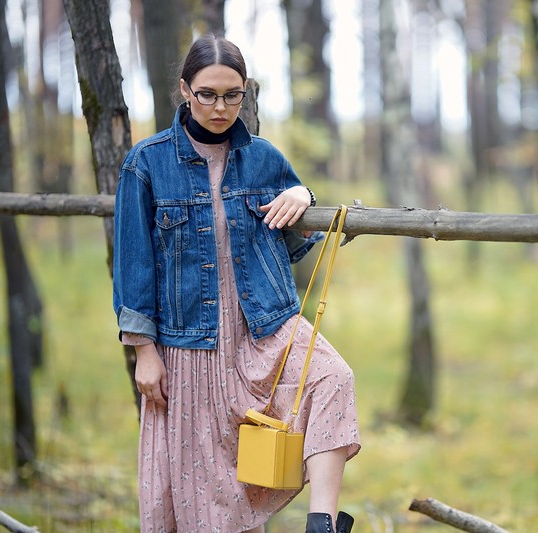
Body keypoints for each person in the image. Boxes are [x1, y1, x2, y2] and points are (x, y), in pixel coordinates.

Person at [113, 34, 360, 533]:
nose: (221, 107)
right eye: (207, 93)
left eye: (232, 94)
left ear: (245, 92)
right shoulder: (147, 163)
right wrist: (143, 349)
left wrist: (302, 192)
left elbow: (294, 233)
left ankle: (324, 524)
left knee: (333, 378)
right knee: (209, 499)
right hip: (189, 344)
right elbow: (133, 264)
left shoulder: (264, 158)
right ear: (184, 90)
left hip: (263, 323)